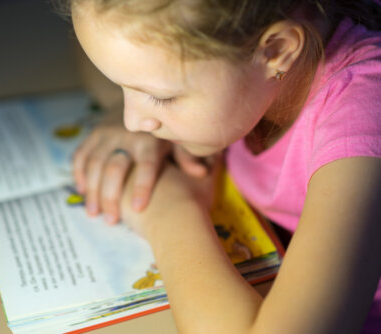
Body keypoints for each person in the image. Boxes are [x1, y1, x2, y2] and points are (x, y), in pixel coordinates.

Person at [62, 0, 381, 332]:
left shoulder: (363, 124)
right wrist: (120, 106)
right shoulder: (257, 59)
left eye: (162, 97)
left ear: (276, 51)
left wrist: (168, 212)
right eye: (121, 86)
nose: (133, 122)